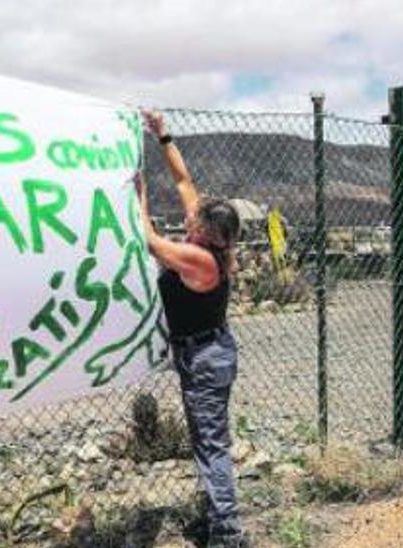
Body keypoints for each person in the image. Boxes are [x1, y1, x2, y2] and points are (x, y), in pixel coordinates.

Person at [135, 110, 247, 547]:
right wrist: (163, 136)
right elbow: (184, 183)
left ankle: (228, 535)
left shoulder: (200, 261)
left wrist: (139, 193)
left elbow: (148, 240)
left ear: (205, 234)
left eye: (194, 221)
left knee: (212, 446)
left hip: (205, 359)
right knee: (208, 441)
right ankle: (216, 521)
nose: (188, 218)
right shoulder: (209, 243)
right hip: (206, 353)